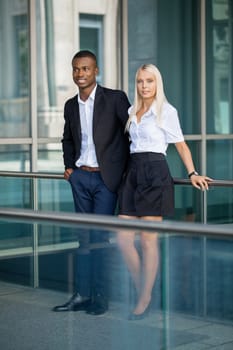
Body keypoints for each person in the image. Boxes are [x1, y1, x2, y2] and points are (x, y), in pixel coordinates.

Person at [116, 63, 212, 321]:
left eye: (149, 81)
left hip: (155, 172)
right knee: (123, 239)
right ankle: (145, 289)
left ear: (157, 83)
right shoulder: (131, 109)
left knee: (148, 240)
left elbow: (181, 146)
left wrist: (193, 173)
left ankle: (144, 297)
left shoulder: (166, 111)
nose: (144, 86)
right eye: (140, 81)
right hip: (133, 173)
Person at [52, 50, 130, 315]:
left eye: (85, 69)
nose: (80, 74)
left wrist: (123, 174)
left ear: (95, 70)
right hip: (81, 177)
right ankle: (82, 294)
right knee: (83, 237)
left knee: (99, 237)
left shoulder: (115, 99)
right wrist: (69, 168)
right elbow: (68, 140)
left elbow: (130, 135)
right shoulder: (70, 105)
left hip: (106, 180)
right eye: (76, 69)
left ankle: (100, 296)